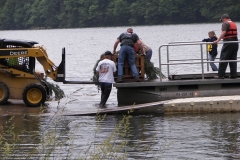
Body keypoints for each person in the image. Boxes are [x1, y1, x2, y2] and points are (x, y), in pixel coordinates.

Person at [213, 14, 239, 79]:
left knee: (223, 58)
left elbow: (224, 32)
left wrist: (218, 40)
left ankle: (221, 75)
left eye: (222, 20)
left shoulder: (225, 23)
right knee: (233, 59)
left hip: (228, 42)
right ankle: (233, 75)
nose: (222, 21)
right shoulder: (233, 23)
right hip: (235, 42)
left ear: (224, 19)